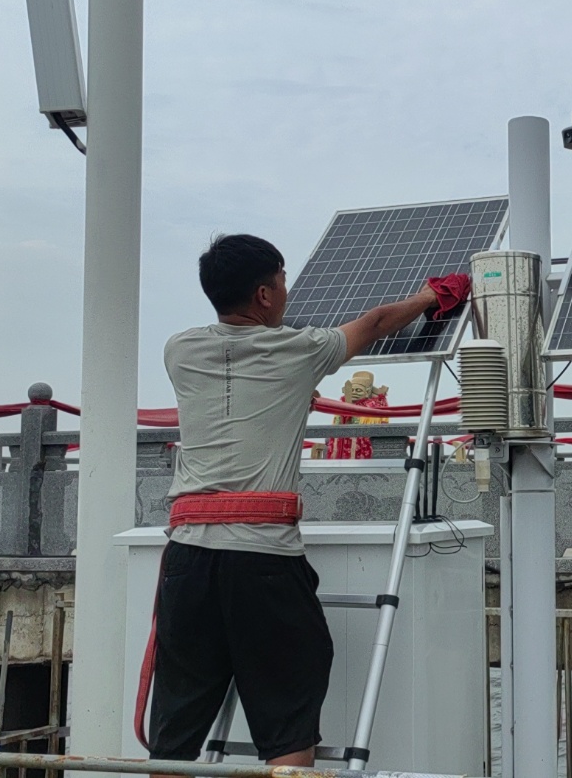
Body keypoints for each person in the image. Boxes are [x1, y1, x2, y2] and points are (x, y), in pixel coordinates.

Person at [139, 233, 458, 771]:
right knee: (288, 718)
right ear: (264, 294)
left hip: (187, 561)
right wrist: (433, 295)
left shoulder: (179, 350)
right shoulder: (299, 349)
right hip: (263, 561)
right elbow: (377, 322)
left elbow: (234, 394)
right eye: (283, 280)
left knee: (175, 731)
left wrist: (288, 393)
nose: (288, 291)